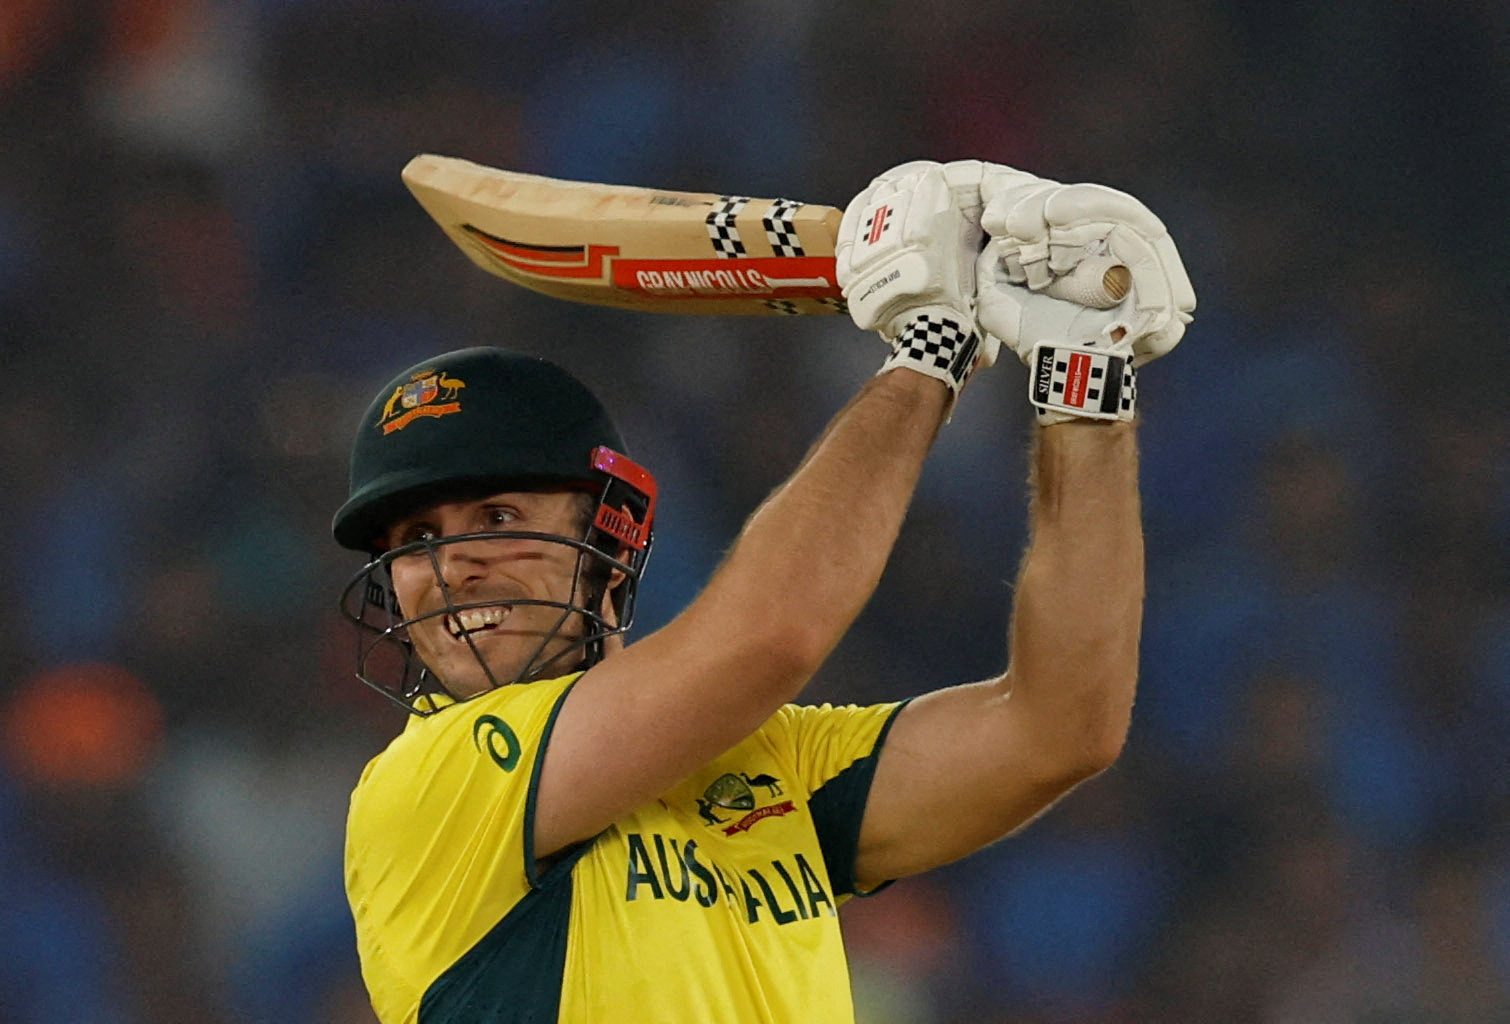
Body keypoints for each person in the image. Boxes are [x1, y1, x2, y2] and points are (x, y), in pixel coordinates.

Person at [333, 159, 1195, 1023]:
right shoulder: (425, 786)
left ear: (608, 535)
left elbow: (1060, 727)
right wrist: (931, 352)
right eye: (415, 541)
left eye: (496, 516)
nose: (453, 568)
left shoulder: (770, 763)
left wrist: (1085, 380)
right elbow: (771, 637)